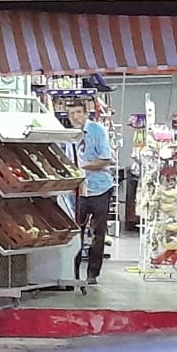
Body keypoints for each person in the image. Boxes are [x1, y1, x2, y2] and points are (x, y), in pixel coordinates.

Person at [69, 102, 115, 285]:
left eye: (78, 112)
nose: (75, 117)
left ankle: (92, 274)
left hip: (100, 188)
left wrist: (81, 167)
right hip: (79, 190)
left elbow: (105, 160)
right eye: (71, 113)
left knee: (98, 233)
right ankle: (73, 272)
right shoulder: (69, 135)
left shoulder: (97, 131)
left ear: (86, 114)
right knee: (75, 232)